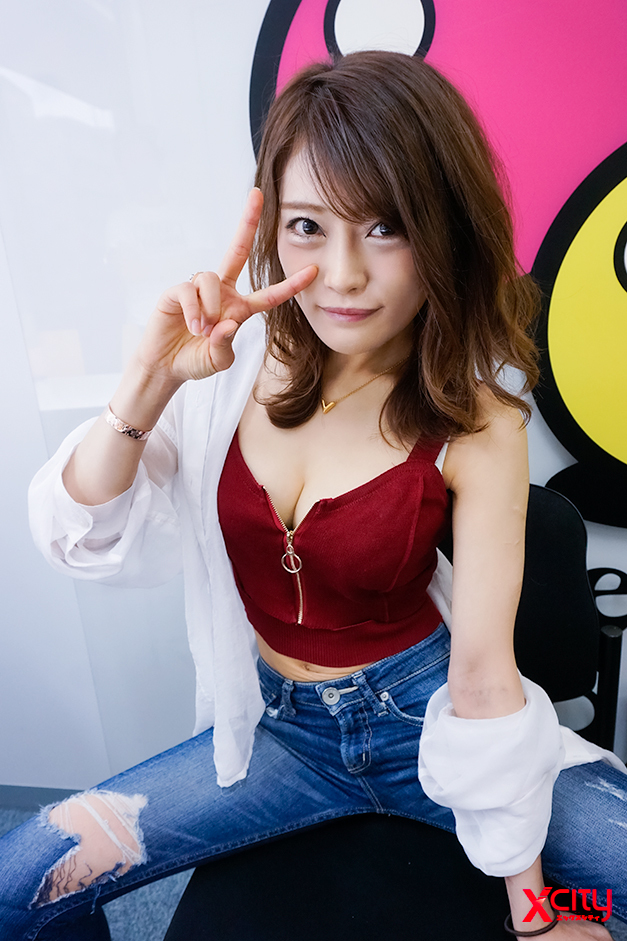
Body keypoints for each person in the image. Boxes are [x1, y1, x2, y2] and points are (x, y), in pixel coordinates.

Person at [1, 51, 625, 941]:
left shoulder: (475, 416)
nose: (341, 274)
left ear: (443, 230)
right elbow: (80, 537)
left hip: (424, 723)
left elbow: (484, 680)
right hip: (275, 737)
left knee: (603, 892)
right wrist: (149, 378)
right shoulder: (226, 367)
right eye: (306, 226)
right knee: (21, 881)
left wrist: (533, 913)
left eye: (385, 228)